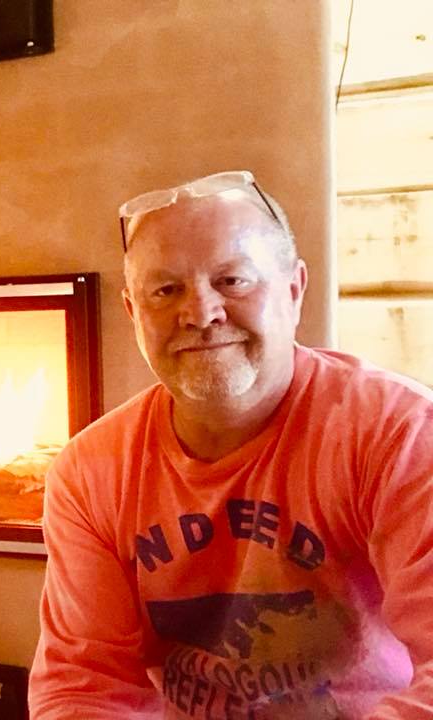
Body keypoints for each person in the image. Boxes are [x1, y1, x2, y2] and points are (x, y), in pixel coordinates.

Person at [29, 171, 433, 720]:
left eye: (233, 280)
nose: (200, 312)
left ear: (293, 290)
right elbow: (84, 685)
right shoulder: (89, 473)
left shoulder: (400, 435)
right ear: (132, 312)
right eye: (165, 290)